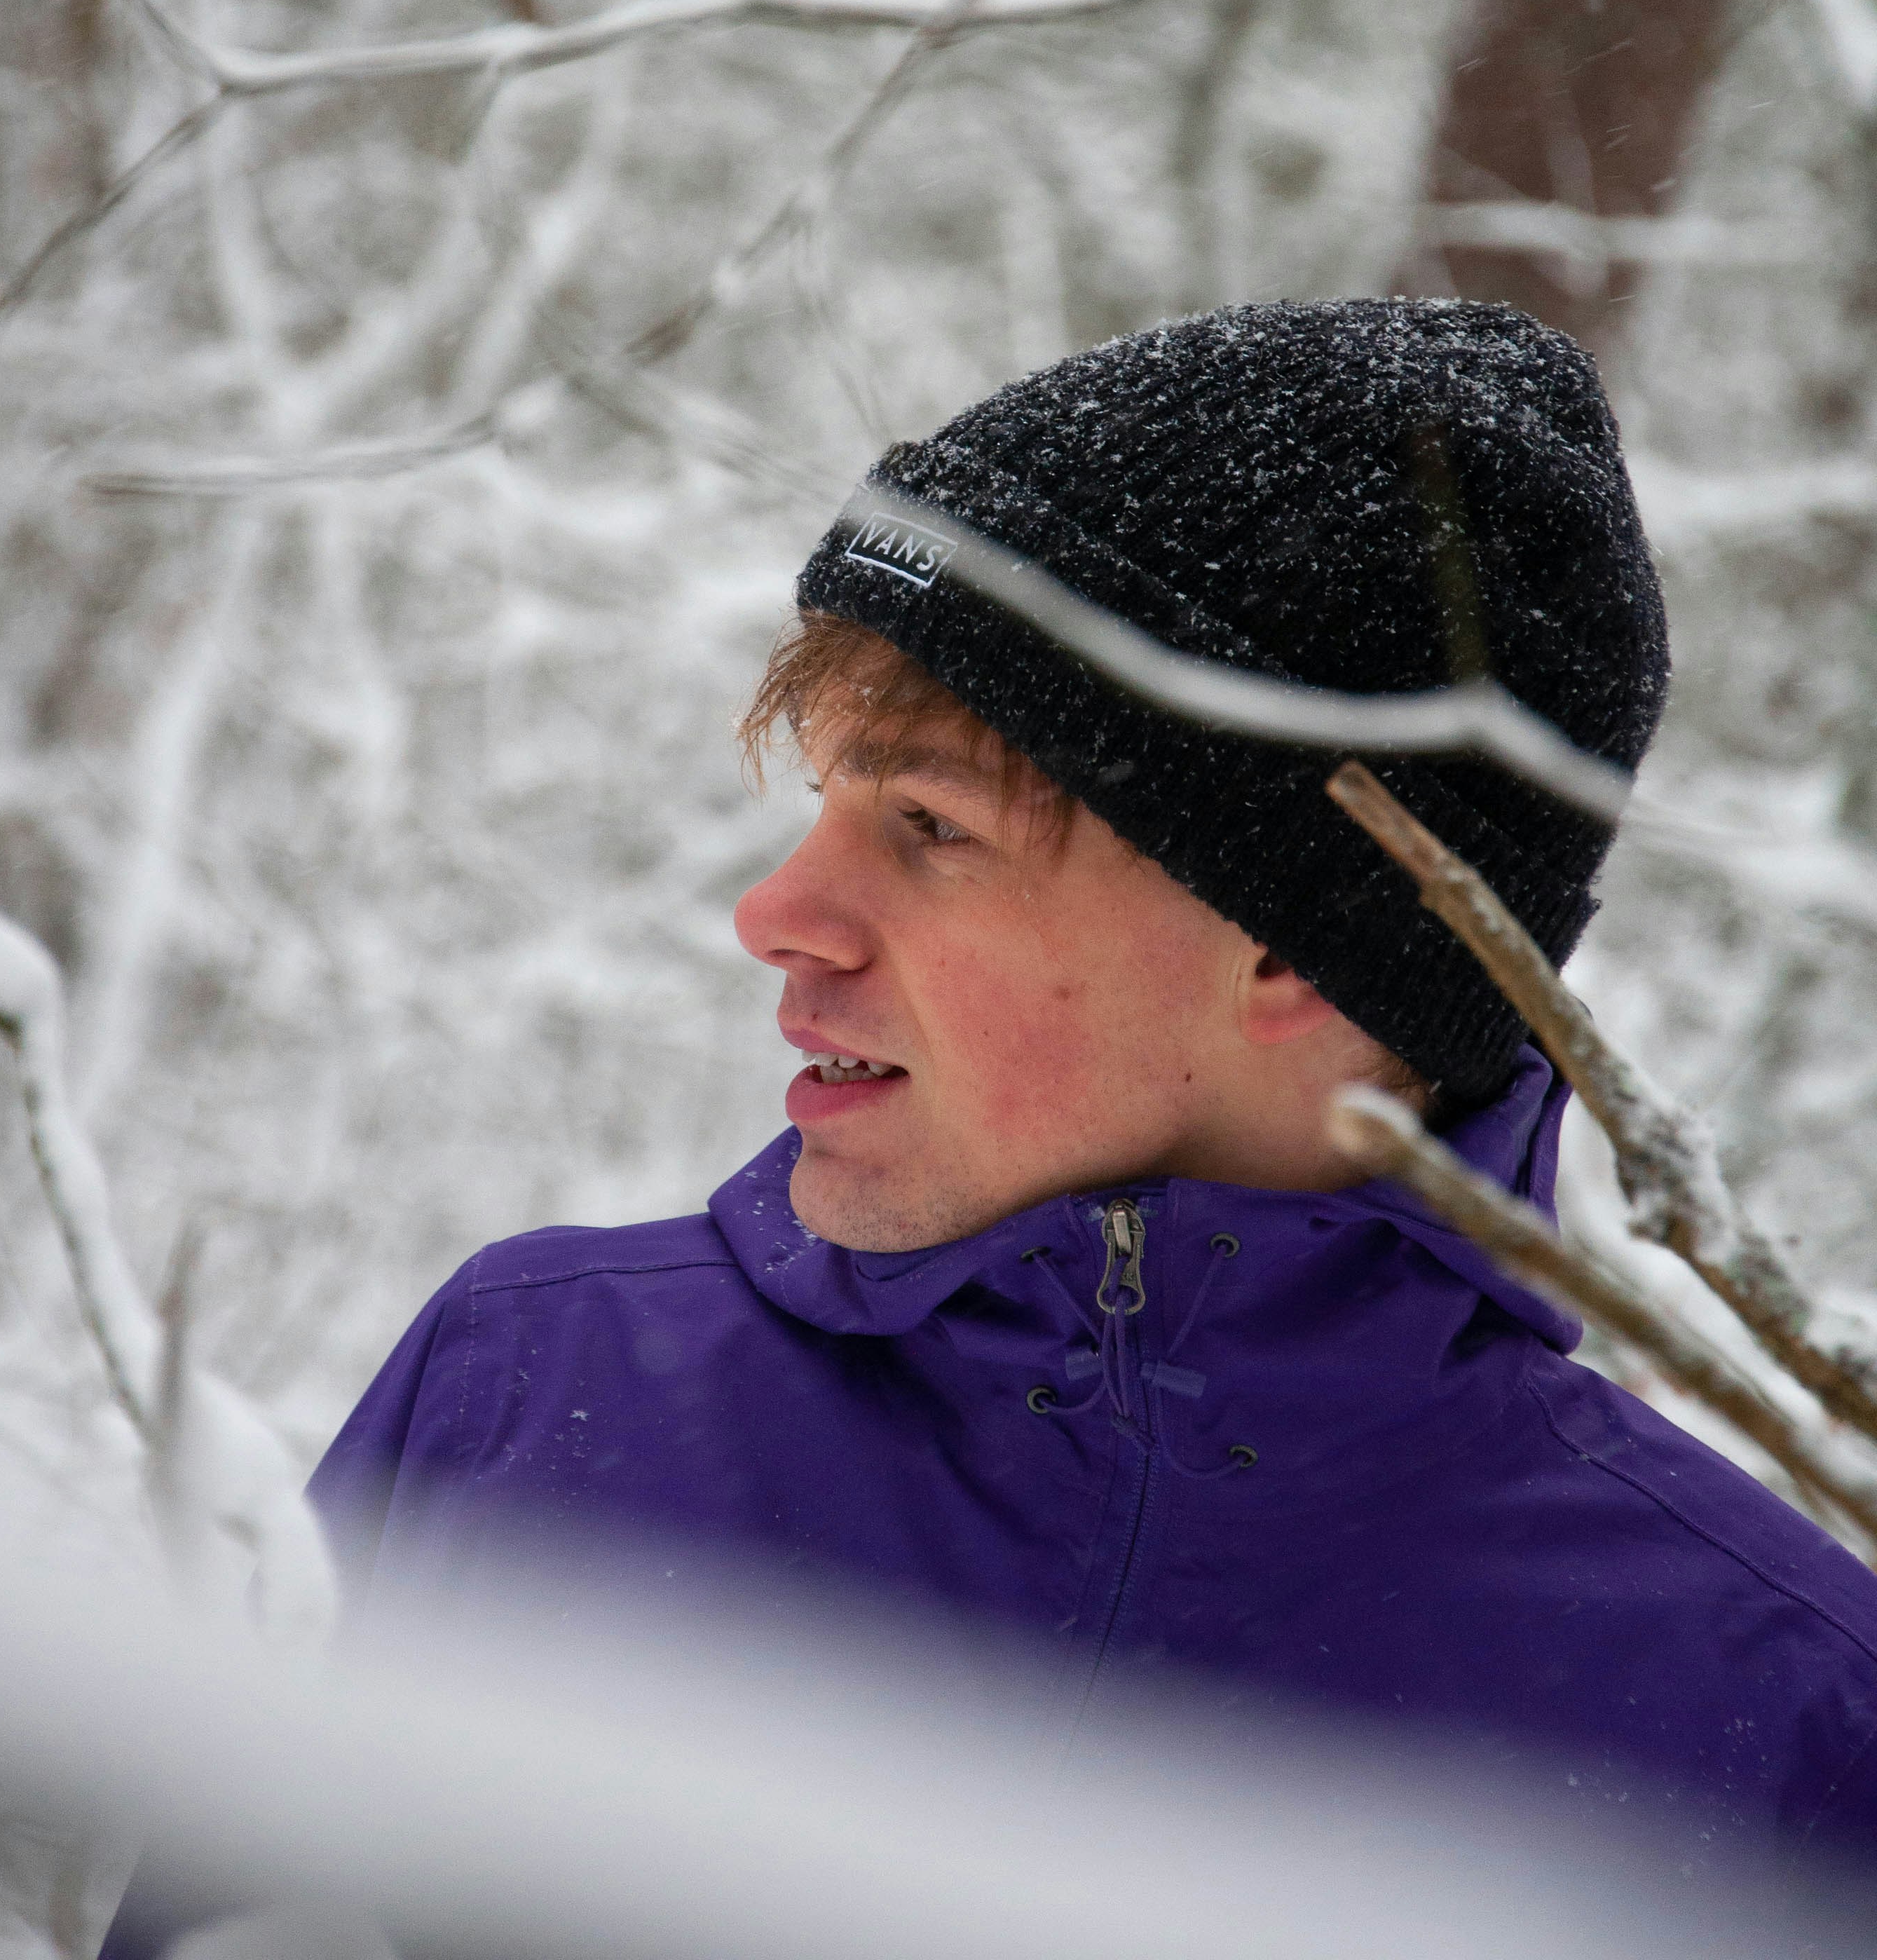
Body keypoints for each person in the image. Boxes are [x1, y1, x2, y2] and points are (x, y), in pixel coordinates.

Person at [102, 300, 1877, 1952]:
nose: (778, 912)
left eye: (931, 826)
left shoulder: (1774, 1713)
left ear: (1298, 941)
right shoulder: (534, 1396)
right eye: (824, 805)